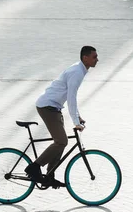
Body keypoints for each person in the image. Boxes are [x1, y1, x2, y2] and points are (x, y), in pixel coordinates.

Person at [25, 46, 99, 188]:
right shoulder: (77, 72)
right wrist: (76, 121)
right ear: (85, 58)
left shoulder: (80, 69)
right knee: (61, 141)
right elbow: (71, 97)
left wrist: (78, 117)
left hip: (55, 107)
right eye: (94, 57)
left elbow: (71, 97)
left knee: (61, 142)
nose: (97, 59)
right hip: (47, 107)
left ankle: (49, 175)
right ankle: (34, 167)